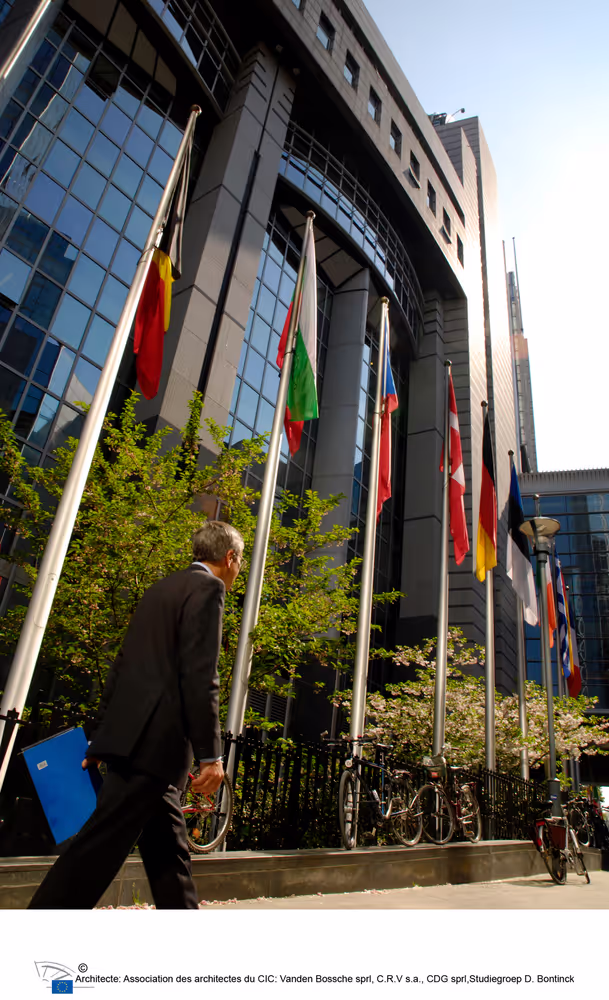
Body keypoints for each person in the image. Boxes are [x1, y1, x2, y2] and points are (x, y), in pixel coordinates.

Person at [28, 520, 244, 910]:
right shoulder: (209, 589)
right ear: (230, 557)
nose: (237, 571)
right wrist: (211, 756)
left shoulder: (160, 589)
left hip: (134, 743)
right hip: (155, 748)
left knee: (168, 855)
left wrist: (102, 737)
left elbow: (122, 665)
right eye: (239, 562)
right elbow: (199, 676)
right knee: (94, 853)